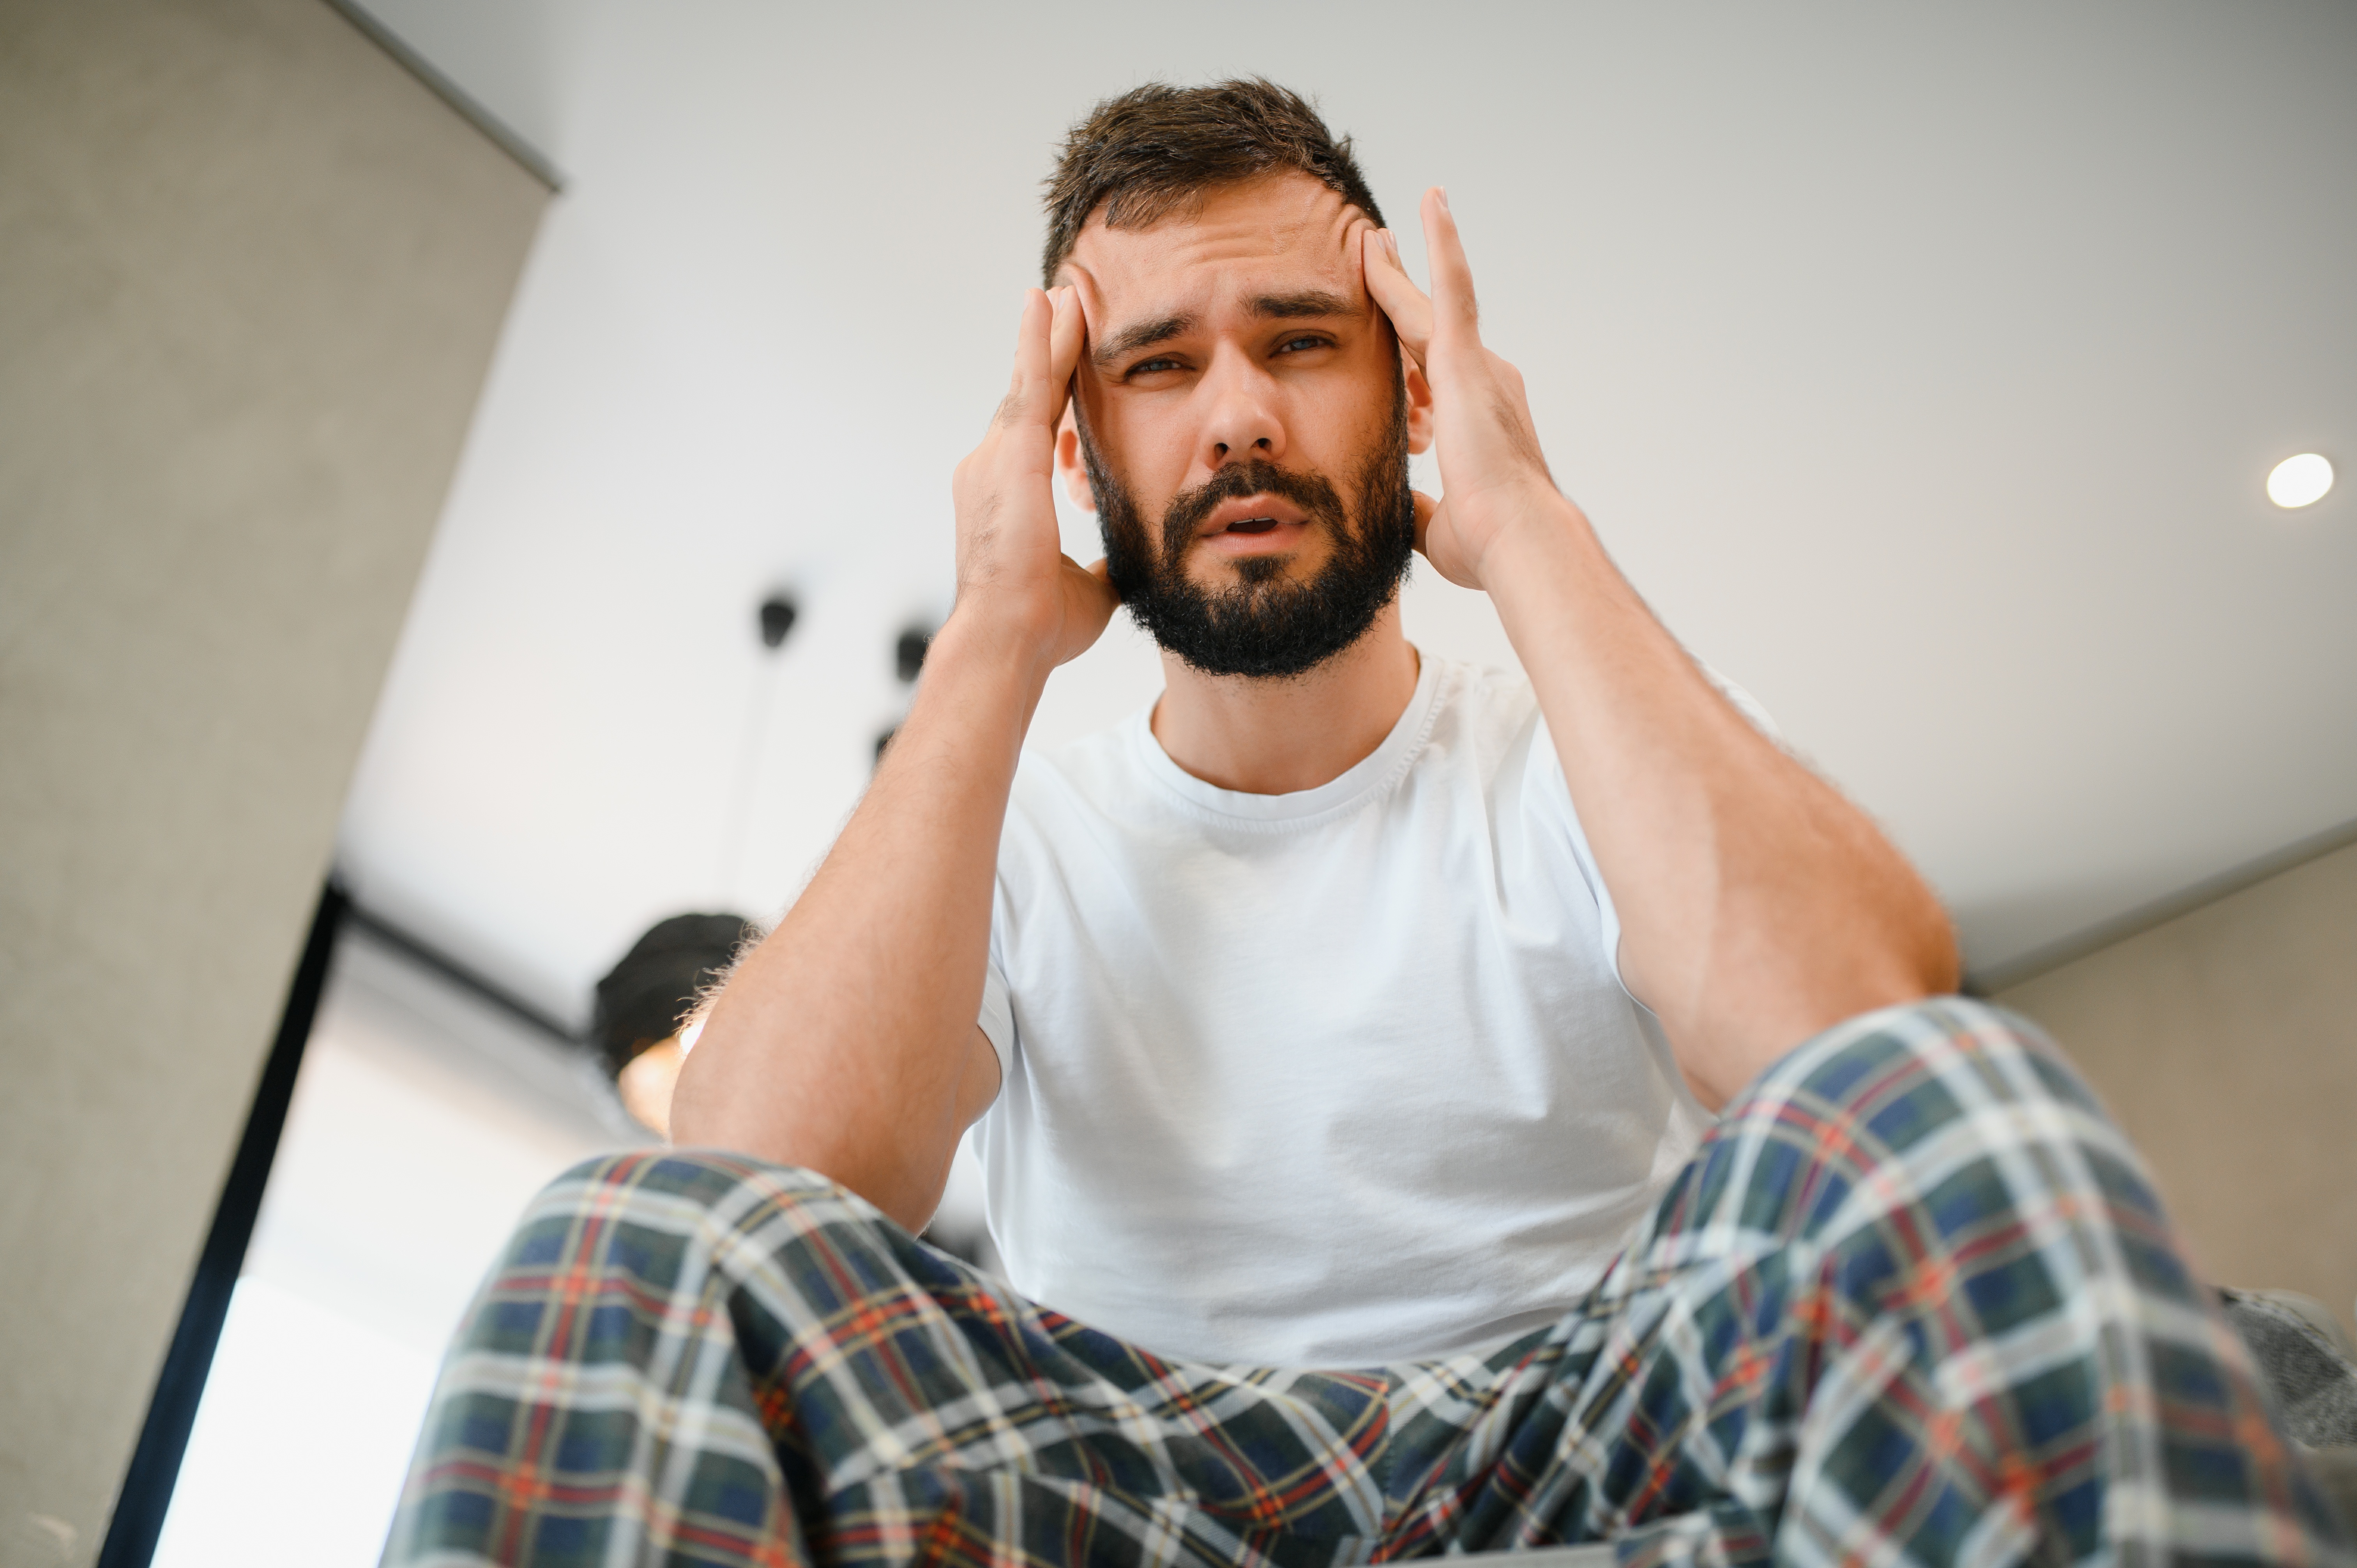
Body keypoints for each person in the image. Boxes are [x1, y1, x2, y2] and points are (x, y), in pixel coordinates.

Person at [383, 81, 2348, 1566]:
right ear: (1084, 446)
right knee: (616, 1242)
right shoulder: (1020, 813)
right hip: (1133, 1464)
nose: (1236, 413)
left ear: (1405, 392)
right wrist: (990, 633)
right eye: (1160, 367)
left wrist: (1524, 523)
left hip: (1590, 1419)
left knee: (1962, 1103)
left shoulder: (1572, 730)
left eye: (1299, 345)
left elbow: (1859, 1027)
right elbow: (753, 1193)